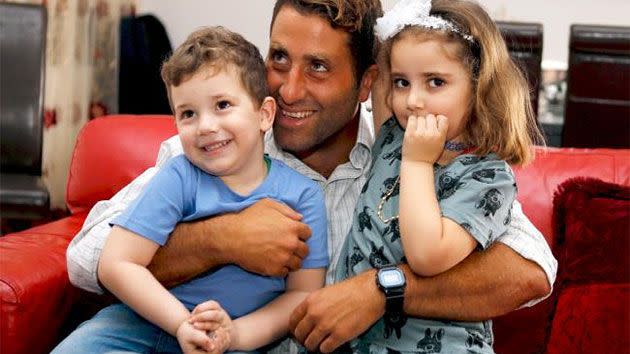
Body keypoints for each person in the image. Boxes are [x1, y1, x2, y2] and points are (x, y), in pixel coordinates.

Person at [66, 1, 558, 353]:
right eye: (279, 58)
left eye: (318, 67)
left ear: (368, 82)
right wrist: (219, 239)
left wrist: (379, 289)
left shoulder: (406, 151)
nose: (288, 87)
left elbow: (530, 271)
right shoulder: (213, 141)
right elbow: (85, 258)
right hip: (154, 328)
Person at [53, 26, 328, 354]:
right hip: (142, 324)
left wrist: (235, 335)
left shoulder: (303, 195)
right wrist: (181, 324)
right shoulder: (179, 176)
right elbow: (117, 263)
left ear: (264, 114)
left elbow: (301, 295)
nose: (206, 126)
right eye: (188, 114)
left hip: (236, 339)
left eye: (223, 104)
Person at [333, 0, 544, 352]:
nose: (413, 100)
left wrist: (416, 163)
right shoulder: (392, 135)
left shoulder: (487, 178)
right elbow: (389, 56)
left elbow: (426, 257)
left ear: (479, 87)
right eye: (402, 82)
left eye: (435, 82)